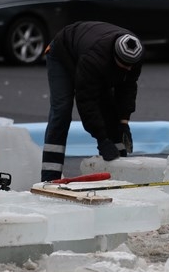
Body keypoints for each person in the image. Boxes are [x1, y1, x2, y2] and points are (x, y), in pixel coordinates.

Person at [41, 21, 144, 182]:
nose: (129, 69)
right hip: (62, 54)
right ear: (114, 57)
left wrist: (124, 122)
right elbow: (86, 101)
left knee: (111, 110)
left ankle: (120, 170)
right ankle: (49, 178)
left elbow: (127, 89)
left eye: (131, 65)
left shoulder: (134, 55)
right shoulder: (95, 58)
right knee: (62, 111)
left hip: (87, 51)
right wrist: (101, 139)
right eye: (124, 65)